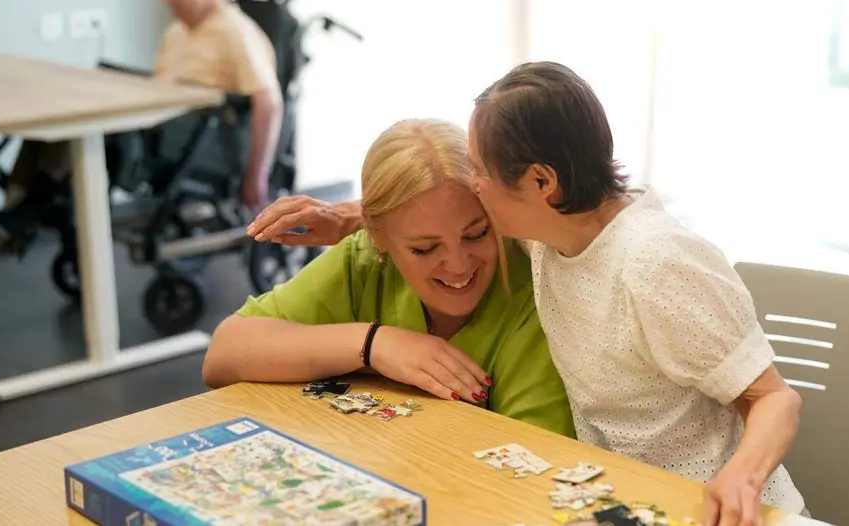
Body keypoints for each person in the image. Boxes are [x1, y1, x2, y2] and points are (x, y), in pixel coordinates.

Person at [247, 63, 809, 525]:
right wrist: (355, 218)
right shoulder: (544, 235)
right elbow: (435, 213)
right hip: (619, 501)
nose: (471, 183)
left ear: (541, 183)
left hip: (716, 510)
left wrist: (742, 476)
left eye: (479, 170)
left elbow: (773, 398)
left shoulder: (656, 261)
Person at [204, 118, 576, 439]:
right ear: (377, 237)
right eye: (425, 248)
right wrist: (374, 345)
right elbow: (223, 355)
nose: (458, 264)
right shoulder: (364, 259)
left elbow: (536, 460)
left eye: (477, 233)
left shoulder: (533, 290)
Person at [0, 0, 282, 253]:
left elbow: (269, 103)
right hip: (158, 124)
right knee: (51, 122)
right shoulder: (178, 31)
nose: (165, 1)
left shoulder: (236, 31)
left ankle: (21, 219)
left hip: (189, 138)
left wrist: (257, 174)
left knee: (78, 127)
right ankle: (16, 213)